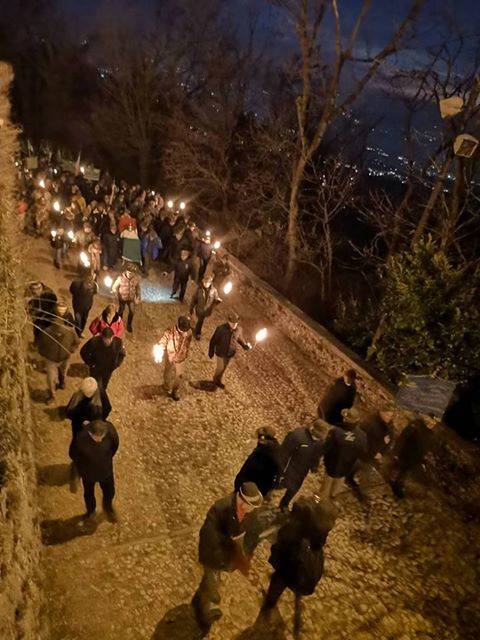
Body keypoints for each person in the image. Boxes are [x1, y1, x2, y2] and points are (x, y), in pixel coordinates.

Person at [192, 482, 263, 635]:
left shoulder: (251, 513)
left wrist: (243, 557)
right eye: (251, 506)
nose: (253, 510)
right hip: (213, 553)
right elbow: (209, 539)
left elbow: (249, 536)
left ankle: (206, 594)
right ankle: (206, 612)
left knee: (213, 578)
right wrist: (224, 558)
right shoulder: (220, 509)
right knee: (213, 578)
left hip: (228, 553)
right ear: (242, 503)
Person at [260, 497, 337, 630]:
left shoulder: (309, 524)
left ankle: (270, 603)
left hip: (291, 564)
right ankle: (271, 603)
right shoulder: (317, 526)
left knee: (279, 582)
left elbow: (285, 536)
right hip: (294, 563)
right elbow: (317, 544)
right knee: (283, 582)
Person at [69, 419, 119, 524]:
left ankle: (108, 507)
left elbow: (115, 446)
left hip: (106, 472)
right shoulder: (80, 439)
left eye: (103, 436)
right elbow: (73, 455)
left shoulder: (110, 431)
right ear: (90, 433)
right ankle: (91, 511)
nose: (101, 439)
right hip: (88, 474)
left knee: (110, 492)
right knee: (89, 494)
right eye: (98, 437)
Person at [278, 421, 325, 511]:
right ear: (313, 429)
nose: (320, 438)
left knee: (293, 490)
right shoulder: (297, 436)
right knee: (278, 484)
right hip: (288, 469)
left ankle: (283, 505)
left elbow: (316, 455)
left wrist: (314, 466)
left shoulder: (320, 442)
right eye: (319, 435)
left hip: (302, 472)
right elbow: (283, 452)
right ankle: (266, 494)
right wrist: (280, 468)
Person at [321, 415, 368, 501]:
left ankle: (321, 504)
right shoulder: (362, 436)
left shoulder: (336, 431)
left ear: (346, 419)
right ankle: (333, 501)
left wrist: (321, 458)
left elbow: (326, 448)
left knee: (325, 488)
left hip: (331, 465)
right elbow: (363, 452)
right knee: (337, 488)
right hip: (347, 467)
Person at [387, 417, 436, 499]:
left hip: (413, 460)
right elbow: (402, 438)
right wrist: (396, 452)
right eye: (431, 421)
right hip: (404, 455)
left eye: (435, 422)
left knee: (403, 474)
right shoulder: (414, 426)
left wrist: (423, 458)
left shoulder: (430, 433)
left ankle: (397, 489)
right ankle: (391, 486)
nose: (433, 424)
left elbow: (424, 447)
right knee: (396, 471)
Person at [36, 319, 80, 403]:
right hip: (51, 360)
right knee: (50, 378)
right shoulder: (47, 332)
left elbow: (77, 342)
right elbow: (41, 346)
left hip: (65, 358)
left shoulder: (70, 331)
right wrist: (45, 355)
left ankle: (62, 382)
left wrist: (71, 350)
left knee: (63, 371)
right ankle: (52, 394)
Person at [208, 312, 252, 389]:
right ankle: (214, 380)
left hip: (230, 353)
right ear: (228, 321)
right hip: (220, 353)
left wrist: (245, 346)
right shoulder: (221, 329)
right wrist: (211, 351)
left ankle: (218, 381)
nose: (234, 325)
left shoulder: (239, 330)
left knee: (224, 368)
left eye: (236, 323)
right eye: (232, 323)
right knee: (220, 368)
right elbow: (213, 340)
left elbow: (240, 339)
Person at [234, 427, 281, 498]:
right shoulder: (276, 450)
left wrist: (238, 484)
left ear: (263, 438)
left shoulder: (260, 454)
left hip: (249, 489)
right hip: (260, 491)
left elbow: (247, 471)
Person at [157, 315, 192, 401]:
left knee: (179, 375)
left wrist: (185, 353)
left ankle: (174, 391)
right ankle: (166, 385)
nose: (184, 332)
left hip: (181, 357)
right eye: (183, 330)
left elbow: (187, 344)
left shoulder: (188, 333)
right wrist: (160, 349)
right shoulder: (169, 332)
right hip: (171, 355)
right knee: (168, 371)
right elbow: (163, 341)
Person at [189, 274, 222, 340]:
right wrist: (191, 308)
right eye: (204, 282)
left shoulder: (214, 291)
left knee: (200, 321)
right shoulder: (199, 289)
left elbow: (216, 299)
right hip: (199, 309)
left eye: (206, 283)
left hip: (206, 311)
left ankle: (197, 332)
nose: (205, 284)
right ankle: (197, 332)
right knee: (200, 321)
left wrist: (218, 300)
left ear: (210, 283)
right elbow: (194, 299)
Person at [112, 267, 141, 333]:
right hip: (122, 298)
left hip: (131, 298)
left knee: (132, 311)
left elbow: (138, 288)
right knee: (121, 311)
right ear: (126, 271)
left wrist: (138, 297)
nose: (130, 274)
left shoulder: (135, 279)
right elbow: (114, 287)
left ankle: (129, 324)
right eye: (129, 272)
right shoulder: (120, 278)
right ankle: (119, 323)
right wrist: (115, 293)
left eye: (132, 273)